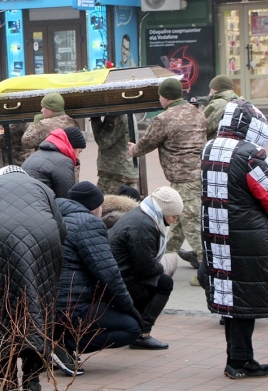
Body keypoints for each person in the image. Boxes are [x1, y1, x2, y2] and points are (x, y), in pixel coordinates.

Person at [200, 101, 268, 379]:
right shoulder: (250, 154)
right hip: (247, 237)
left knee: (230, 299)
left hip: (216, 233)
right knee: (245, 300)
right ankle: (238, 360)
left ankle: (238, 358)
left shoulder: (209, 147)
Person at [0, 166, 66, 391]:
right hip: (43, 241)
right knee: (38, 307)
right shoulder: (42, 188)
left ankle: (7, 380)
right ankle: (32, 379)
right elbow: (61, 230)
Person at [54, 182, 142, 377]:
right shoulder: (89, 224)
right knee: (132, 327)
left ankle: (58, 342)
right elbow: (108, 273)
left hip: (48, 307)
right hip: (71, 308)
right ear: (95, 207)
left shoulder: (55, 216)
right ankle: (61, 344)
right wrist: (129, 307)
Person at [128, 77, 206, 284]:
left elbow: (148, 143)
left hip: (183, 177)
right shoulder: (197, 111)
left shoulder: (164, 118)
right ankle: (166, 255)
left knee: (191, 223)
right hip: (199, 174)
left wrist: (133, 150)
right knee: (178, 217)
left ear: (163, 97)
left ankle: (208, 271)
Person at [109, 186, 183, 350]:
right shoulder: (144, 226)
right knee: (164, 284)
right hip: (122, 276)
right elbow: (146, 267)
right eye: (173, 216)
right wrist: (160, 269)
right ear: (164, 212)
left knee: (159, 280)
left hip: (120, 271)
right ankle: (142, 333)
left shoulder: (143, 214)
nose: (174, 221)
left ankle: (135, 327)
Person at [22, 127, 85, 198]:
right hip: (40, 205)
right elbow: (66, 199)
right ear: (71, 147)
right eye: (79, 151)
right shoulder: (63, 162)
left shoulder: (34, 156)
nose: (78, 157)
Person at [91, 114, 138, 195]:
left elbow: (103, 142)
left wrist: (95, 120)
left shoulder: (117, 117)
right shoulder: (125, 114)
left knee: (105, 203)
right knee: (128, 204)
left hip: (115, 172)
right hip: (125, 169)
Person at [203, 74, 242, 141]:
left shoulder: (217, 104)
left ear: (215, 89)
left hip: (217, 145)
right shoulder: (239, 101)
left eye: (211, 88)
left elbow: (202, 127)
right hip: (236, 143)